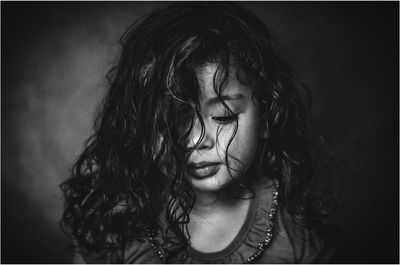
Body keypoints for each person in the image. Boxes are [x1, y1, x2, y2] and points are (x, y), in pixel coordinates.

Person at [61, 2, 338, 263]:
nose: (196, 141)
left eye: (223, 116)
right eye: (173, 120)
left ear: (266, 117)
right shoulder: (115, 222)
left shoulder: (296, 228)